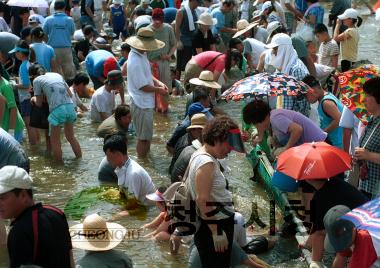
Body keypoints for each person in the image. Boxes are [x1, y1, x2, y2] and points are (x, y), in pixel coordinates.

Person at [187, 115, 245, 267]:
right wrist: (216, 231)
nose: (231, 150)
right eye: (229, 144)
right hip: (214, 225)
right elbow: (202, 200)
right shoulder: (206, 163)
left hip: (212, 223)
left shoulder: (200, 154)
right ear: (218, 139)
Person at [0, 165, 74, 268]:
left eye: (2, 198)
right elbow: (70, 259)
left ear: (23, 195)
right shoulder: (57, 213)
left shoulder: (19, 232)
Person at [304, 177, 368, 265]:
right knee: (343, 251)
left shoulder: (317, 199)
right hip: (368, 214)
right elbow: (317, 227)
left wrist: (315, 263)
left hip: (363, 227)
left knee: (346, 251)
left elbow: (318, 234)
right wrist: (308, 242)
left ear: (308, 179)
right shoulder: (337, 182)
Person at [125, 27, 167, 158]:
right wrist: (159, 90)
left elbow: (147, 75)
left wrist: (158, 82)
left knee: (146, 136)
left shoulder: (140, 54)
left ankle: (146, 160)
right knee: (143, 138)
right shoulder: (135, 61)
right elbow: (142, 86)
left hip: (144, 102)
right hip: (140, 103)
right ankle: (143, 162)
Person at [29, 64, 82, 162]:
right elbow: (70, 94)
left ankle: (59, 165)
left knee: (55, 141)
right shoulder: (57, 75)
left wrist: (33, 98)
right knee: (71, 137)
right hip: (70, 107)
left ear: (32, 76)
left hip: (57, 110)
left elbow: (39, 103)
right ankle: (79, 159)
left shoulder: (37, 80)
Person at [242, 100, 327, 153]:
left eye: (255, 123)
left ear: (259, 120)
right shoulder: (272, 118)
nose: (256, 126)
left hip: (320, 145)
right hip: (313, 146)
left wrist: (285, 148)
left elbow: (297, 129)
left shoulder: (275, 118)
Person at [265, 33, 311, 117]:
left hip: (295, 122)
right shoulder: (282, 68)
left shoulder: (296, 70)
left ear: (284, 49)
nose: (273, 52)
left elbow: (305, 103)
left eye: (275, 49)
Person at [103, 134, 155, 204]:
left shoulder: (133, 173)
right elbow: (123, 193)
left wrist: (112, 214)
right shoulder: (121, 167)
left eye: (109, 156)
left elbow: (132, 206)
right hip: (135, 203)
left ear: (118, 154)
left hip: (146, 209)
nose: (107, 160)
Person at [354, 77, 380, 199]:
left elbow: (369, 153)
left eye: (367, 95)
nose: (364, 99)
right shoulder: (373, 120)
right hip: (366, 187)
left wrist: (369, 155)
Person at [11, 40, 39, 145]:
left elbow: (26, 85)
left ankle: (33, 147)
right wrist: (18, 79)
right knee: (34, 123)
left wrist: (14, 85)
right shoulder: (30, 63)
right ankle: (37, 143)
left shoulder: (23, 66)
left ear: (20, 53)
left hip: (26, 98)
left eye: (16, 52)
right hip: (33, 96)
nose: (15, 54)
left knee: (28, 125)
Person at [303, 75, 343, 148]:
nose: (306, 99)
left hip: (339, 143)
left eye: (306, 96)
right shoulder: (324, 98)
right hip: (334, 141)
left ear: (312, 91)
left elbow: (339, 119)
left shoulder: (326, 102)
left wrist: (322, 134)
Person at [43, 0, 76, 81]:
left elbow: (43, 34)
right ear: (64, 7)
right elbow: (72, 32)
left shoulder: (48, 19)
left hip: (52, 48)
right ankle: (69, 88)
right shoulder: (69, 20)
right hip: (66, 48)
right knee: (68, 70)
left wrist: (48, 42)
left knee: (55, 70)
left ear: (54, 8)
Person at [148, 8, 176, 94]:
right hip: (151, 63)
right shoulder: (147, 30)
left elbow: (174, 44)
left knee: (166, 89)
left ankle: (166, 107)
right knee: (153, 90)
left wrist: (169, 55)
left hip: (164, 62)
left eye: (159, 20)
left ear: (163, 19)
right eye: (155, 20)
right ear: (152, 19)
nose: (157, 23)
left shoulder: (168, 28)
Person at [174, 0, 200, 80]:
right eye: (197, 2)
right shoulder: (181, 11)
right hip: (184, 41)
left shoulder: (194, 12)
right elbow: (177, 27)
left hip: (193, 41)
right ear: (192, 1)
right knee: (180, 64)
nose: (198, 4)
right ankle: (178, 82)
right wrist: (178, 40)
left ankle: (186, 81)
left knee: (190, 63)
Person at [0, 74, 24, 143]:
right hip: (4, 127)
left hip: (13, 128)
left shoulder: (5, 86)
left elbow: (13, 109)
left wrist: (11, 132)